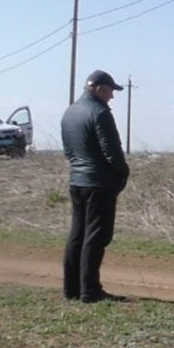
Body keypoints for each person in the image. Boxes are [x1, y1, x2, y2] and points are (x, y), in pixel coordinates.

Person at [61, 70, 131, 303]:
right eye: (111, 90)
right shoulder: (100, 113)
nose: (112, 96)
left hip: (77, 181)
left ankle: (72, 288)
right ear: (99, 88)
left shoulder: (70, 112)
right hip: (99, 183)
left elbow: (69, 151)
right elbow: (112, 150)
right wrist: (122, 174)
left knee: (77, 235)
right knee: (96, 236)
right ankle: (90, 290)